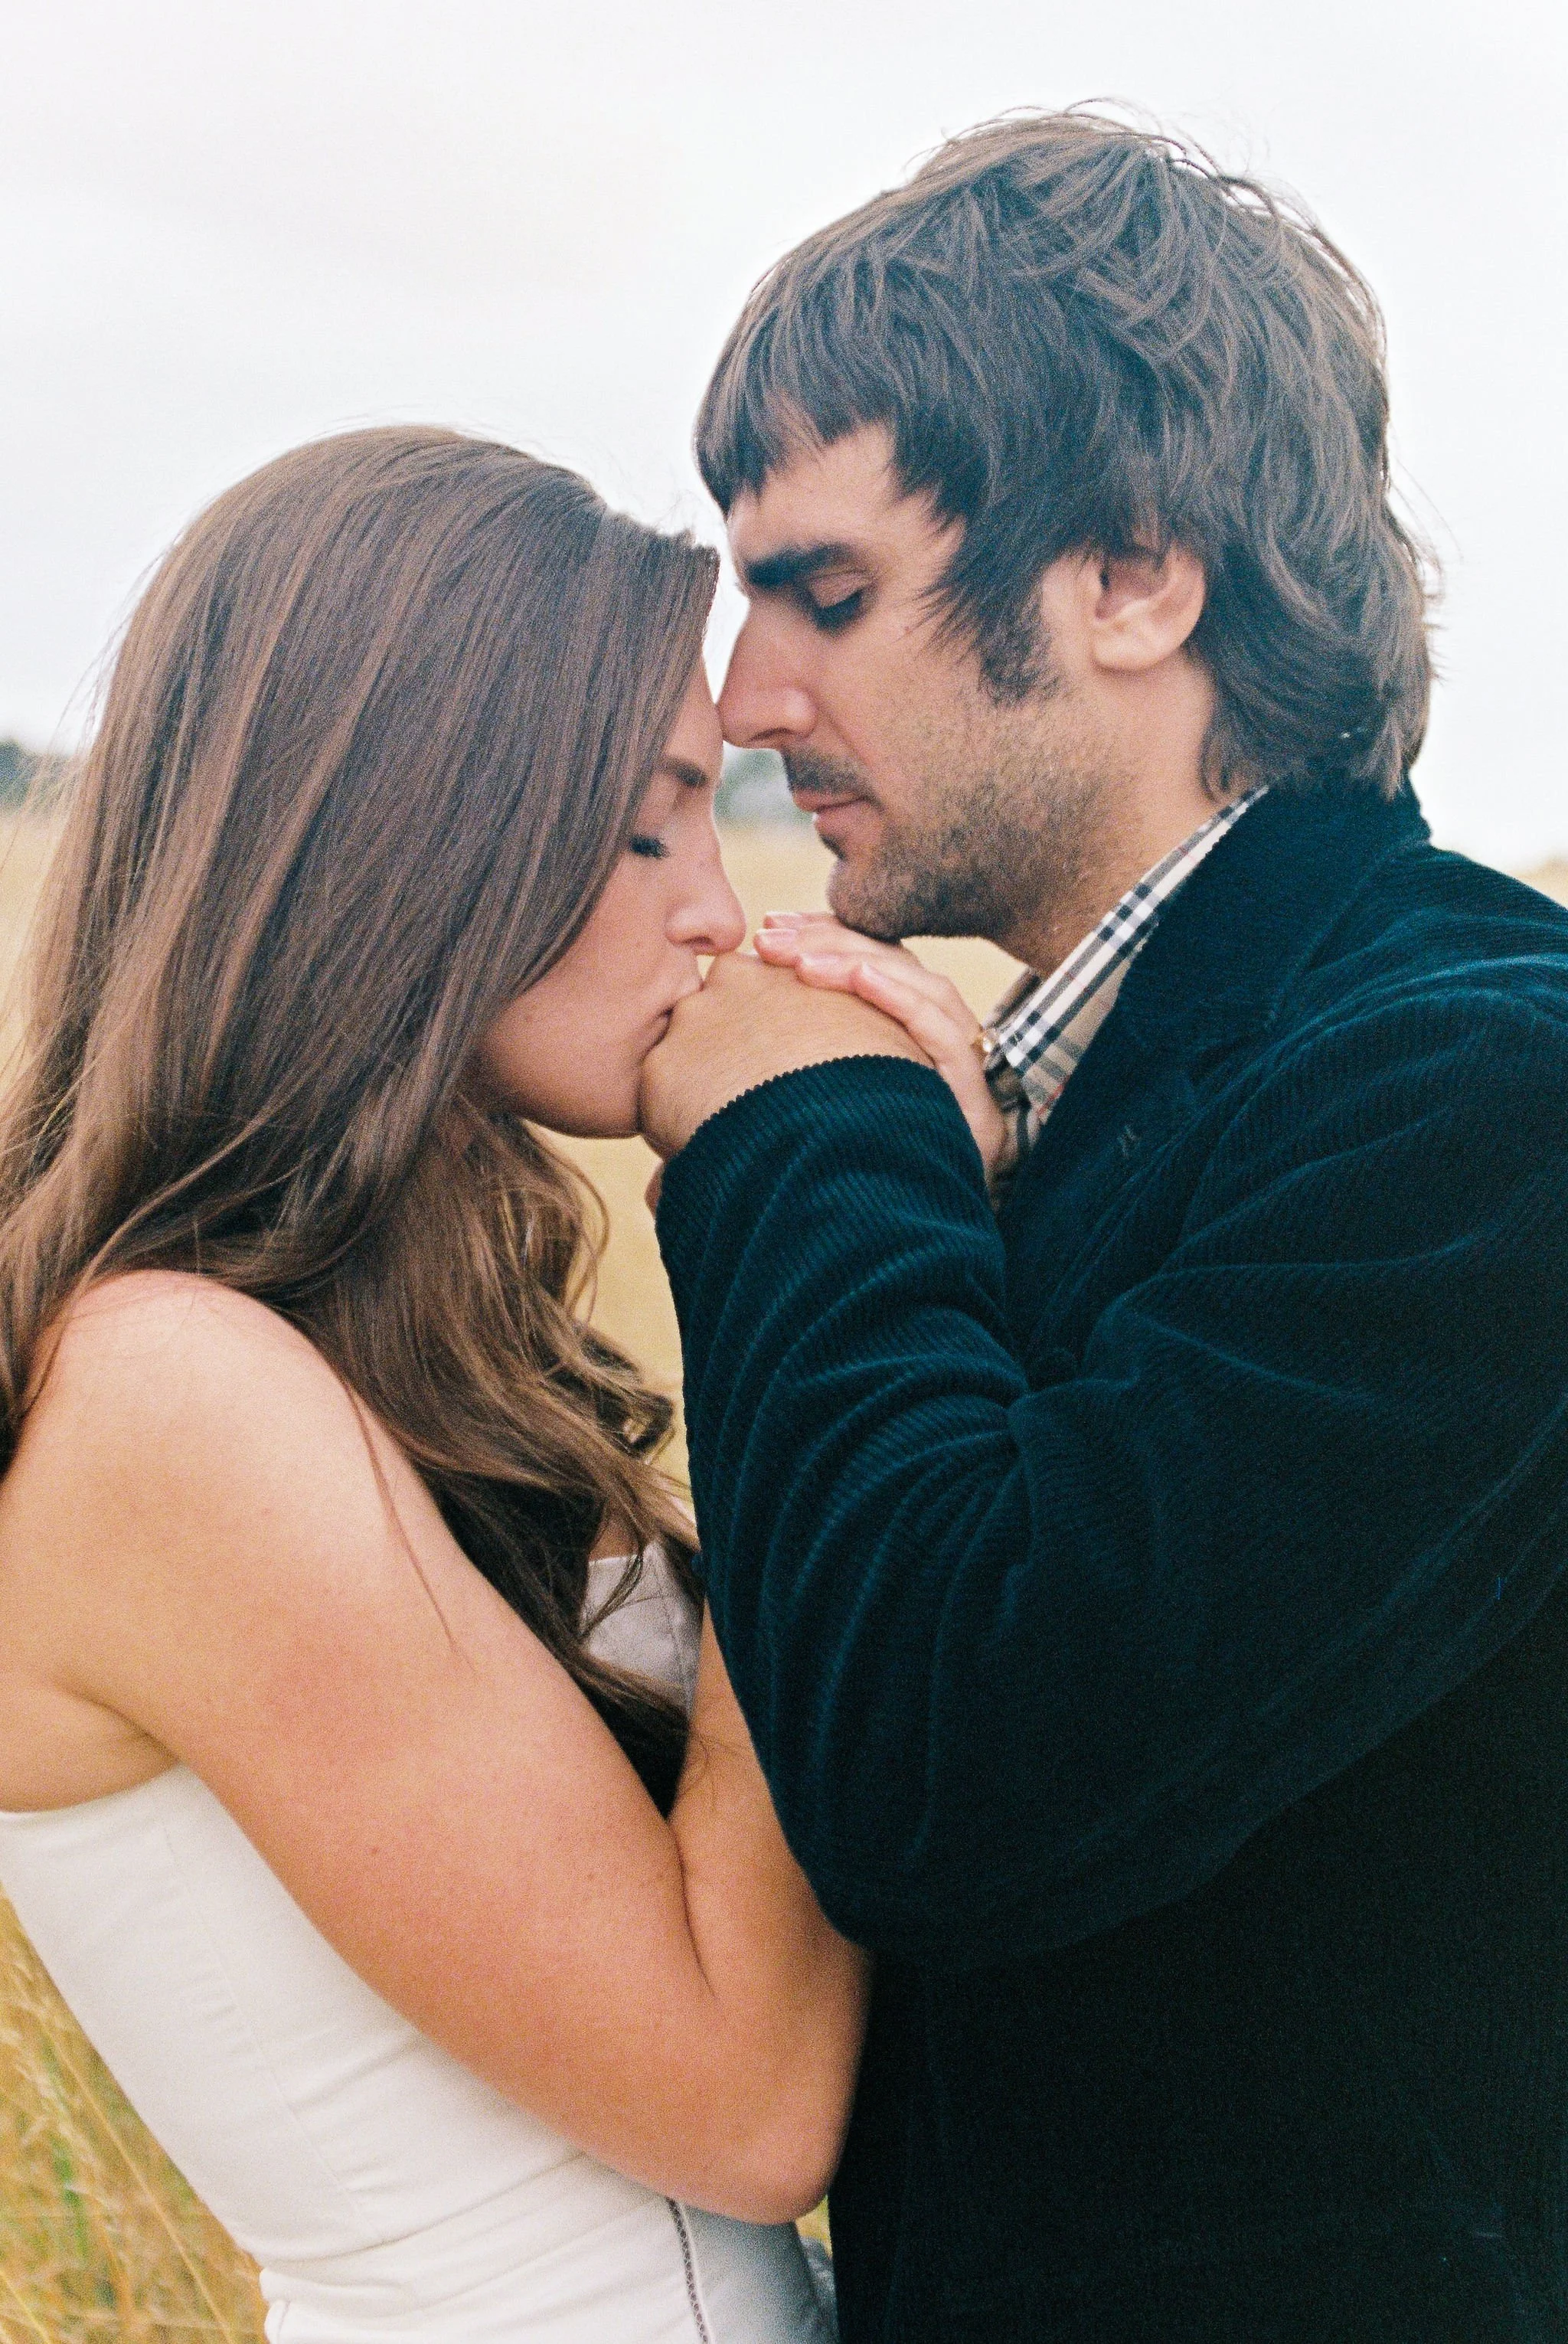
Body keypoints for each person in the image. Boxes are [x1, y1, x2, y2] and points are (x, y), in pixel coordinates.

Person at [639, 112, 1568, 2341]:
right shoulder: (1116, 1083)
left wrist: (810, 1129)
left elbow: (952, 1764)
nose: (747, 696)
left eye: (823, 591)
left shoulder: (1478, 1096)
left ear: (1136, 577)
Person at [0, 426, 864, 2344]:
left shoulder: (318, 1343)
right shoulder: (173, 1396)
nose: (717, 911)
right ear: (417, 829)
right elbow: (744, 2097)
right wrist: (812, 1272)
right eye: (647, 822)